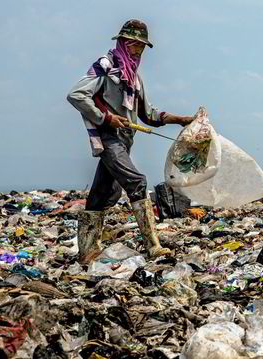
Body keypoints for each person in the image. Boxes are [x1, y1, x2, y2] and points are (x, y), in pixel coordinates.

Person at [67, 20, 193, 264]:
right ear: (123, 43)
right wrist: (106, 117)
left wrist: (181, 119)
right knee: (137, 182)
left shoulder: (134, 77)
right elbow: (76, 95)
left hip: (125, 141)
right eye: (134, 45)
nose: (138, 51)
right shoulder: (104, 67)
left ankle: (86, 252)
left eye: (142, 47)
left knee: (101, 195)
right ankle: (153, 246)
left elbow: (149, 115)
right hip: (108, 139)